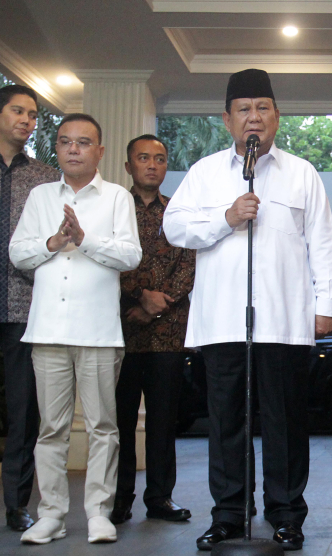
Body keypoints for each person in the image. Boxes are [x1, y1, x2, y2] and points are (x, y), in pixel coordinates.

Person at [163, 68, 332, 552]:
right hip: (222, 320)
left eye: (262, 108)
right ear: (227, 120)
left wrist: (325, 305)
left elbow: (322, 243)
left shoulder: (301, 172)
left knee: (285, 421)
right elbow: (174, 227)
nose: (254, 118)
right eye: (244, 109)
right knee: (226, 421)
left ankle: (286, 515)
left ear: (277, 117)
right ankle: (228, 514)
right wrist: (226, 217)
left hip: (284, 321)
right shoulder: (204, 173)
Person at [10, 113, 142, 544]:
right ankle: (50, 513)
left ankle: (99, 513)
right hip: (46, 329)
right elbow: (17, 253)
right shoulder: (40, 196)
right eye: (65, 142)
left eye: (83, 142)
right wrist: (53, 242)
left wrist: (84, 238)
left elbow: (130, 257)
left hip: (99, 332)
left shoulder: (118, 198)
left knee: (104, 425)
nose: (72, 149)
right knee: (51, 428)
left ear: (99, 151)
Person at [112, 134, 195, 525]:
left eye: (159, 159)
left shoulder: (179, 211)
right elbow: (103, 258)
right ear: (128, 166)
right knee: (119, 420)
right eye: (143, 158)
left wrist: (157, 306)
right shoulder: (112, 208)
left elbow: (190, 261)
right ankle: (118, 498)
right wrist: (138, 296)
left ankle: (160, 498)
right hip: (118, 329)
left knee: (164, 420)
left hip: (168, 331)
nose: (152, 165)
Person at [0, 84, 60, 532]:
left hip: (24, 307)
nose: (27, 120)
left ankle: (17, 504)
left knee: (24, 413)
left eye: (33, 114)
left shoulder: (44, 177)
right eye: (18, 111)